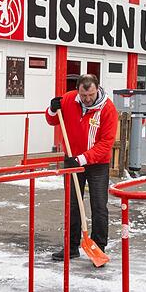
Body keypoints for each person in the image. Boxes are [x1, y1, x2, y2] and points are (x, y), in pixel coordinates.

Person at [45, 73, 117, 261]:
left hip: (97, 164)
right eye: (83, 95)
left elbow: (106, 144)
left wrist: (82, 159)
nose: (87, 99)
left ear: (97, 89)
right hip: (72, 159)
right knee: (72, 204)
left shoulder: (108, 109)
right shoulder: (69, 99)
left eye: (91, 95)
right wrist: (52, 110)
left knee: (99, 205)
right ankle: (71, 246)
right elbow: (52, 120)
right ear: (78, 90)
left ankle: (99, 247)